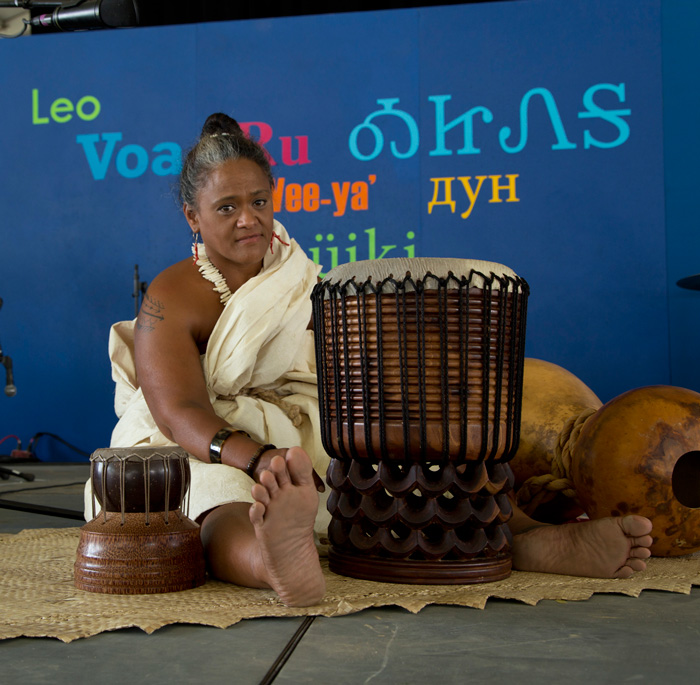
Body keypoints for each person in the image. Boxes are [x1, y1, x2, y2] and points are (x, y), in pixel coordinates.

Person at [92, 112, 653, 607]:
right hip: (194, 442)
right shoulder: (173, 292)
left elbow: (347, 369)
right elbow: (177, 409)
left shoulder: (298, 275)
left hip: (298, 429)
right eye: (227, 208)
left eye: (259, 201)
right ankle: (273, 560)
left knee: (415, 467)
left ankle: (525, 537)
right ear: (193, 217)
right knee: (219, 504)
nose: (249, 219)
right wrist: (258, 459)